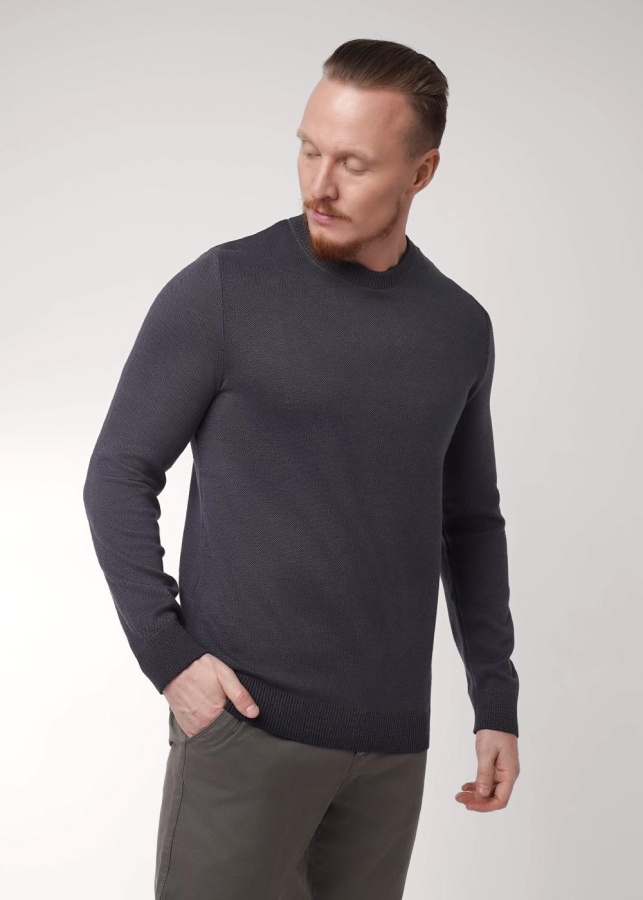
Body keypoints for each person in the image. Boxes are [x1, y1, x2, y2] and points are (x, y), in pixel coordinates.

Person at [83, 37, 520, 900]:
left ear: (421, 172)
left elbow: (468, 522)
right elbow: (118, 473)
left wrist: (494, 701)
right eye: (308, 150)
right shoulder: (225, 289)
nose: (318, 184)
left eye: (352, 163)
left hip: (390, 747)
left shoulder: (457, 328)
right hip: (244, 730)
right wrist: (168, 656)